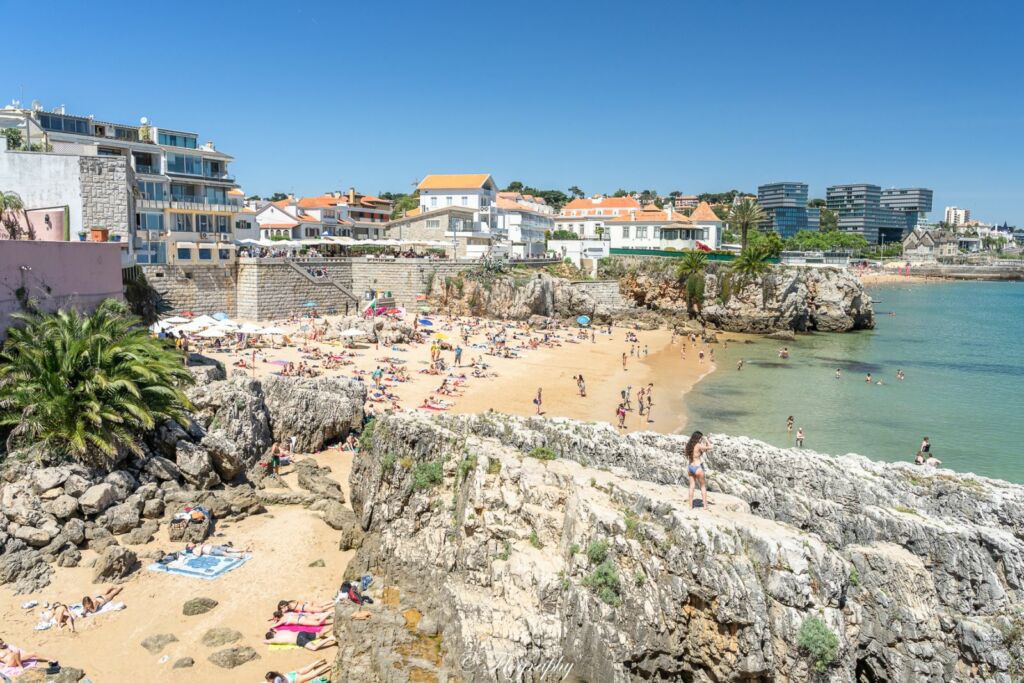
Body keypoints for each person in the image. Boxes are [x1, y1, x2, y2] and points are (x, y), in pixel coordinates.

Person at [685, 431, 711, 510]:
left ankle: (690, 506)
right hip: (698, 467)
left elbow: (702, 451)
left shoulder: (688, 445)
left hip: (690, 467)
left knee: (691, 487)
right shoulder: (699, 445)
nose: (701, 439)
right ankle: (705, 506)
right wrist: (706, 440)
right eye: (700, 438)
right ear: (698, 438)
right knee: (703, 486)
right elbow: (710, 447)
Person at [264, 659, 334, 683]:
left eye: (268, 680)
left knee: (312, 675)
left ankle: (327, 665)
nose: (268, 681)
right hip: (292, 673)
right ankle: (319, 661)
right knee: (307, 668)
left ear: (272, 678)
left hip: (295, 679)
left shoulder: (277, 680)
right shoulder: (277, 674)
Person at [185, 542, 251, 557]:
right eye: (190, 544)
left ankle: (242, 550)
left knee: (228, 548)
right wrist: (202, 547)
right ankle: (237, 556)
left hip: (213, 547)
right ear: (190, 547)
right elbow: (198, 555)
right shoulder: (194, 550)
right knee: (223, 553)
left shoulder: (198, 545)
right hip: (211, 551)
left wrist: (203, 545)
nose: (191, 543)